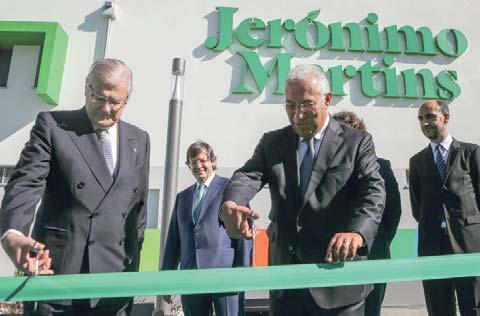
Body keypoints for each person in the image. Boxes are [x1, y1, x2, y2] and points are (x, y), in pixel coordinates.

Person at [219, 64, 385, 316]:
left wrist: (357, 232)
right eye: (290, 105)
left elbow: (373, 191)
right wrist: (232, 203)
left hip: (338, 281)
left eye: (306, 104)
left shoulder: (357, 142)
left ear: (327, 99)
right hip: (285, 284)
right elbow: (247, 175)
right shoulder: (273, 142)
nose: (297, 115)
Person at [0, 58, 150, 316]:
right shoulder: (53, 126)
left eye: (116, 102)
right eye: (99, 98)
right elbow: (26, 181)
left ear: (127, 99)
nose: (107, 108)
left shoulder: (139, 138)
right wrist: (12, 232)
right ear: (86, 88)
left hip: (115, 282)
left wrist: (132, 265)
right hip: (59, 277)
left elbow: (139, 207)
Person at [162, 141, 251, 316]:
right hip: (191, 279)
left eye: (202, 160)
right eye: (193, 162)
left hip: (226, 278)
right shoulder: (182, 198)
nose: (198, 166)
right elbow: (173, 242)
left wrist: (244, 274)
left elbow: (243, 236)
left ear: (212, 162)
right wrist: (167, 281)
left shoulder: (231, 190)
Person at [409, 100, 480, 316]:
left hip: (468, 243)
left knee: (474, 307)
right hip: (432, 245)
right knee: (438, 308)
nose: (424, 123)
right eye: (421, 118)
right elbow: (417, 207)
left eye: (430, 116)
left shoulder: (471, 152)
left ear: (445, 118)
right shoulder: (417, 161)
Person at [332, 111, 401, 316]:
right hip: (332, 257)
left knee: (370, 310)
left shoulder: (381, 166)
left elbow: (392, 212)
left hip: (373, 255)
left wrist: (374, 239)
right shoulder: (324, 167)